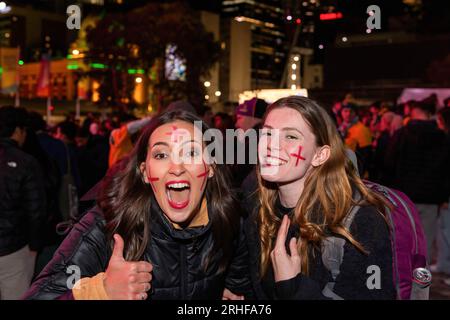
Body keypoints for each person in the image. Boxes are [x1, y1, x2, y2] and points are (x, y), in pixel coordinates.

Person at [24, 110, 252, 300]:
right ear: (144, 172)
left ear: (211, 166)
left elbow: (238, 282)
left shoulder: (230, 217)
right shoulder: (109, 224)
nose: (177, 167)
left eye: (191, 152)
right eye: (162, 155)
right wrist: (103, 291)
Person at [240, 96, 395, 300]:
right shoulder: (258, 205)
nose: (271, 145)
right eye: (267, 132)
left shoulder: (361, 223)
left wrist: (294, 287)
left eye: (291, 137)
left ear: (320, 155)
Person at [385, 101, 450, 264]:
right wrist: (443, 195)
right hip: (430, 197)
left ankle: (404, 275)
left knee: (404, 237)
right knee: (426, 240)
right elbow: (446, 169)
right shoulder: (442, 137)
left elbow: (389, 164)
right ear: (429, 115)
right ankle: (420, 279)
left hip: (403, 197)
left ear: (412, 114)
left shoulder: (401, 135)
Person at [0, 106, 46, 300]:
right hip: (14, 247)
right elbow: (36, 210)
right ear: (18, 131)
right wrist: (35, 245)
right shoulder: (26, 162)